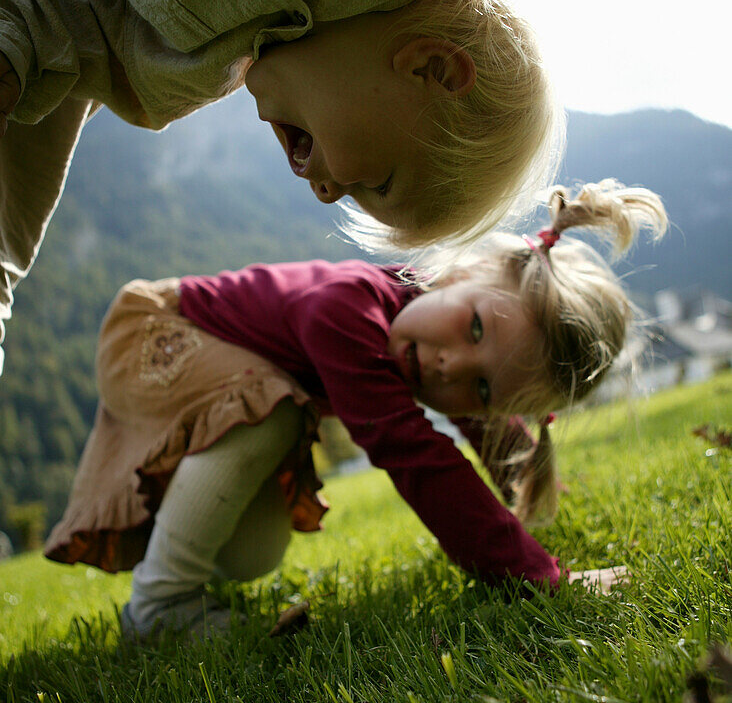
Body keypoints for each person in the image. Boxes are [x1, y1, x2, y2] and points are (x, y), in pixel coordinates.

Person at [0, 0, 573, 376]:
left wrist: (12, 51)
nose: (326, 193)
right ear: (432, 68)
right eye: (376, 183)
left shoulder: (177, 70)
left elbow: (65, 10)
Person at [43, 179, 667, 640]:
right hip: (152, 331)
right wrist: (536, 576)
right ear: (461, 272)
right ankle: (158, 608)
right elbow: (416, 455)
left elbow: (488, 428)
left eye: (481, 386)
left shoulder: (425, 339)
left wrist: (526, 492)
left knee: (253, 552)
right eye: (474, 328)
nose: (452, 365)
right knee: (275, 411)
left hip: (218, 369)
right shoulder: (345, 310)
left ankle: (175, 571)